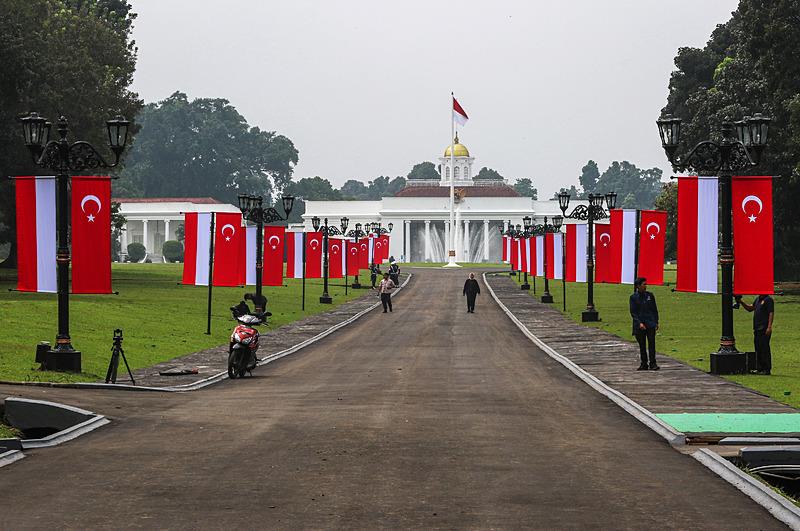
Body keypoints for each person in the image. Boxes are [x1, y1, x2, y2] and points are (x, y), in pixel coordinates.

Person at [736, 293, 775, 375]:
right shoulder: (758, 299)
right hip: (757, 328)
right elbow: (750, 308)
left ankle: (766, 369)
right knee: (758, 348)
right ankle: (759, 368)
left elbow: (771, 313)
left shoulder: (768, 300)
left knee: (764, 348)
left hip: (764, 328)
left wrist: (769, 327)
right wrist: (740, 301)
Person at [630, 277, 659, 371]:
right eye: (643, 284)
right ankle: (644, 363)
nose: (645, 286)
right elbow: (633, 312)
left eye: (646, 284)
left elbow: (654, 309)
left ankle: (653, 363)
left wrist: (656, 321)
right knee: (642, 345)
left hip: (650, 323)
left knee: (652, 344)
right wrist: (639, 323)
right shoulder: (633, 297)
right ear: (638, 286)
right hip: (640, 324)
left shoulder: (650, 296)